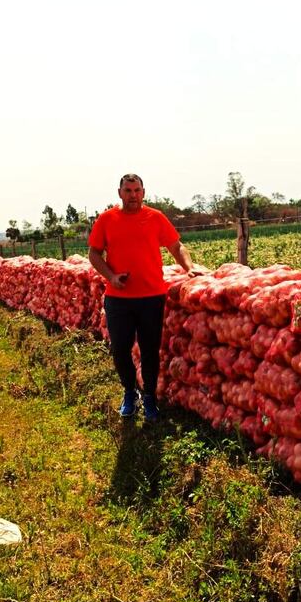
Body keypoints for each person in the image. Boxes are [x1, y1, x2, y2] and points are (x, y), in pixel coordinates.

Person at [88, 173, 206, 422]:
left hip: (152, 296)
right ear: (119, 192)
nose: (133, 195)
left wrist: (188, 267)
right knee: (120, 349)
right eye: (128, 190)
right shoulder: (107, 219)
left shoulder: (155, 217)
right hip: (118, 298)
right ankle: (130, 392)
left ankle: (150, 396)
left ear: (144, 192)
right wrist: (111, 276)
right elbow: (94, 253)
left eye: (137, 190)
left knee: (150, 349)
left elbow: (176, 246)